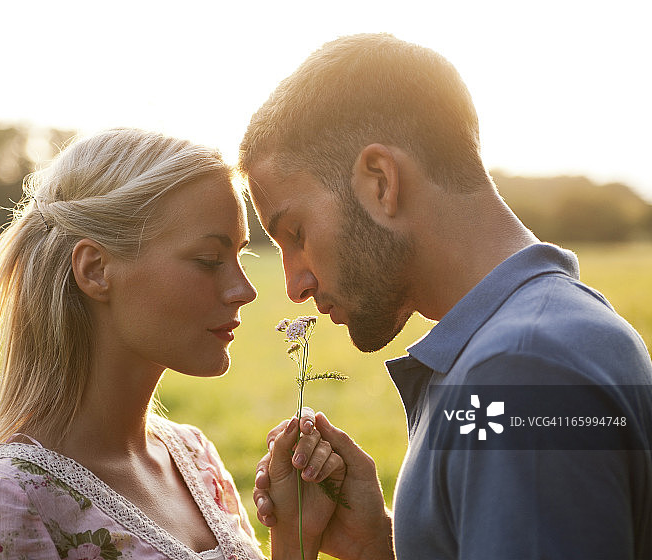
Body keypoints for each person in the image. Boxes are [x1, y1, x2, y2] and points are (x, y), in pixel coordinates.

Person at [241, 34, 652, 559]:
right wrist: (379, 545)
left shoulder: (518, 370)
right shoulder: (551, 331)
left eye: (296, 234)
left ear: (380, 182)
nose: (294, 285)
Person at [0, 128, 344, 560]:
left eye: (241, 256)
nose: (244, 289)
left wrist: (297, 537)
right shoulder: (3, 508)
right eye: (209, 261)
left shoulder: (195, 459)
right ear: (95, 270)